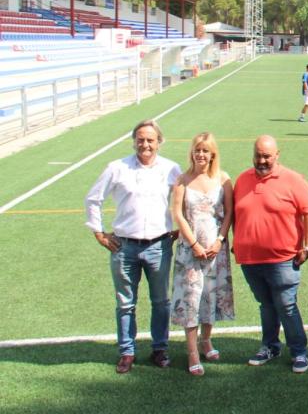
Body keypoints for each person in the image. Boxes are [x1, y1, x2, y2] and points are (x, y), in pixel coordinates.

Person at [85, 119, 181, 374]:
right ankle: (127, 351)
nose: (145, 144)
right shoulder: (117, 168)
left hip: (159, 245)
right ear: (134, 141)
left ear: (159, 142)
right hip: (124, 247)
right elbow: (93, 199)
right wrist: (99, 233)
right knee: (126, 303)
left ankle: (160, 349)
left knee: (161, 301)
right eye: (140, 139)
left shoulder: (171, 169)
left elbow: (185, 198)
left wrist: (181, 225)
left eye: (150, 139)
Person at [234, 135, 308, 374]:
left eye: (267, 156)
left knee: (286, 305)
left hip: (283, 259)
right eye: (258, 155)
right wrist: (236, 240)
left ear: (277, 155)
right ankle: (270, 346)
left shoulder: (293, 180)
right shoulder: (242, 180)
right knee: (266, 305)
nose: (262, 160)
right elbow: (236, 214)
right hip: (250, 259)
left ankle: (299, 351)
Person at [170, 132, 236, 376]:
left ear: (212, 154)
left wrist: (219, 240)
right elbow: (178, 214)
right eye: (197, 149)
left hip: (215, 251)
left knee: (212, 295)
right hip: (191, 252)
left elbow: (229, 212)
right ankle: (192, 352)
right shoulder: (182, 180)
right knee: (191, 300)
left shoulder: (223, 178)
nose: (200, 154)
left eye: (205, 150)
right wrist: (194, 244)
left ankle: (206, 340)